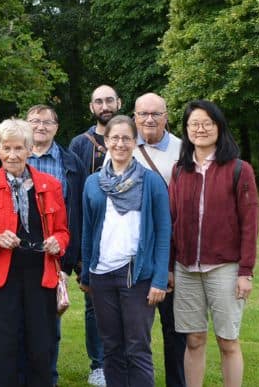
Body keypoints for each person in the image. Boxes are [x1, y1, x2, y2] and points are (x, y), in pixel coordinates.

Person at [0, 118, 70, 387]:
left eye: (19, 148)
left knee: (40, 348)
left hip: (40, 278)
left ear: (29, 149)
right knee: (1, 348)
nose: (13, 155)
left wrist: (57, 243)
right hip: (1, 280)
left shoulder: (50, 185)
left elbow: (63, 231)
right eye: (7, 148)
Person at [169, 100, 259, 387]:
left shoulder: (239, 169)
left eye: (207, 123)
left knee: (227, 340)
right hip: (186, 269)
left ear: (219, 127)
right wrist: (169, 267)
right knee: (194, 339)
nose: (200, 129)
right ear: (186, 130)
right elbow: (172, 220)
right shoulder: (179, 171)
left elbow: (250, 224)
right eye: (194, 124)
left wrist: (246, 272)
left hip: (225, 268)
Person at [81, 115, 171, 387]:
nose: (120, 144)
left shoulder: (151, 182)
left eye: (126, 138)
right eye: (115, 138)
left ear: (135, 142)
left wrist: (159, 280)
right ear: (106, 141)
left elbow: (164, 233)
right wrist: (86, 275)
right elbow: (88, 230)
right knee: (111, 347)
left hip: (137, 275)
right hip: (101, 275)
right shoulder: (93, 182)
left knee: (137, 347)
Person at [24, 105, 85, 385]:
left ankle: (47, 377)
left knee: (50, 321)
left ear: (56, 127)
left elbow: (78, 210)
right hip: (20, 252)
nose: (40, 126)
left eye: (47, 122)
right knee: (20, 318)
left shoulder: (71, 163)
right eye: (35, 121)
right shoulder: (15, 156)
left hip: (56, 252)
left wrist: (72, 257)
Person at [132, 93, 187, 387]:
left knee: (175, 329)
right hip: (134, 254)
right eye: (143, 114)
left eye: (156, 114)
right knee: (134, 329)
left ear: (166, 116)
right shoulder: (122, 146)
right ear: (134, 117)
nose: (149, 119)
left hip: (173, 251)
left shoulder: (183, 150)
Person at [68, 84, 120, 386]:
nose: (104, 106)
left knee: (129, 303)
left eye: (109, 100)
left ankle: (124, 361)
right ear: (91, 107)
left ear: (119, 102)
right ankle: (99, 365)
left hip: (125, 234)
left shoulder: (130, 137)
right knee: (93, 304)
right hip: (93, 235)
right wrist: (78, 251)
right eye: (98, 101)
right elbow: (74, 197)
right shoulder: (79, 144)